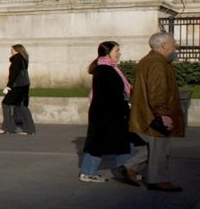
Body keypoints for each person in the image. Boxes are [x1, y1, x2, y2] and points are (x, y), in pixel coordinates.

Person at [79, 41, 146, 184]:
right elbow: (108, 94)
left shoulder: (111, 68)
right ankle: (87, 172)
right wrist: (123, 107)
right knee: (97, 144)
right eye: (117, 50)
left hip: (112, 112)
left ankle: (125, 170)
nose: (119, 53)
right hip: (106, 114)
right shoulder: (104, 70)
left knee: (124, 141)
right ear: (107, 53)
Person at [129, 32, 187, 192]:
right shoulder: (157, 63)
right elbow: (157, 91)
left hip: (148, 113)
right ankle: (159, 180)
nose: (176, 46)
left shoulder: (150, 60)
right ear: (164, 46)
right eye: (173, 43)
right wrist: (163, 114)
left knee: (156, 148)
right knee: (160, 150)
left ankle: (129, 168)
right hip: (155, 114)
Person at [0, 44, 35, 134]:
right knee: (22, 107)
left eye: (12, 49)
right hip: (24, 86)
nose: (10, 51)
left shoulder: (16, 60)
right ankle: (30, 129)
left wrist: (8, 86)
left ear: (16, 50)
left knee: (6, 104)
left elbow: (13, 75)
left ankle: (7, 128)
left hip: (17, 87)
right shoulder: (23, 59)